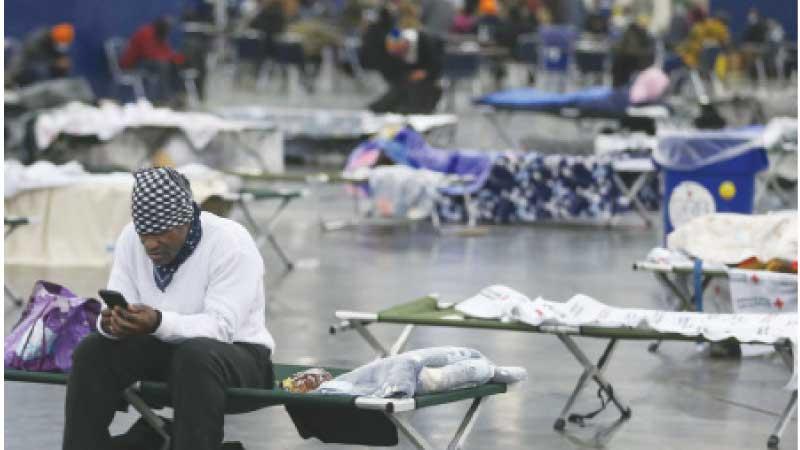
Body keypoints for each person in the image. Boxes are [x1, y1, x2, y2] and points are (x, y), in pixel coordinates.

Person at [62, 167, 276, 450]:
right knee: (92, 351)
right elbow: (116, 305)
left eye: (162, 233)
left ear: (186, 220)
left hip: (240, 357)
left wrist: (157, 322)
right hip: (166, 350)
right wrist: (112, 324)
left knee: (196, 355)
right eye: (144, 234)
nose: (151, 243)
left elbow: (220, 328)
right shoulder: (130, 239)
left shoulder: (230, 242)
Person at [368, 19, 444, 114]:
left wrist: (424, 73)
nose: (397, 53)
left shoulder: (424, 40)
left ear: (404, 43)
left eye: (398, 50)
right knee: (399, 91)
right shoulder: (394, 38)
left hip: (427, 79)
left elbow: (437, 64)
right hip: (405, 79)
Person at [119, 17, 187, 104]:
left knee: (175, 64)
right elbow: (149, 53)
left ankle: (176, 94)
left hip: (148, 61)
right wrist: (168, 57)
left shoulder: (159, 34)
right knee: (163, 65)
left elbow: (165, 50)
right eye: (167, 29)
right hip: (134, 63)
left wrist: (176, 58)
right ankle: (164, 97)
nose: (168, 31)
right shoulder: (146, 33)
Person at [6, 23, 75, 87]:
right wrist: (54, 62)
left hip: (45, 74)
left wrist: (63, 65)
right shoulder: (38, 38)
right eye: (60, 41)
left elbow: (61, 58)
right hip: (26, 66)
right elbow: (34, 56)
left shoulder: (59, 46)